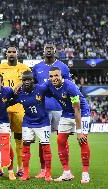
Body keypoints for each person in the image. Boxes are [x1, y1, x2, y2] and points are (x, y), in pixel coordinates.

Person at [32, 43, 71, 178]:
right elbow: (33, 86)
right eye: (46, 49)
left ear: (55, 51)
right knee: (43, 140)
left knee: (63, 139)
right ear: (43, 51)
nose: (48, 51)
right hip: (43, 109)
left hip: (60, 109)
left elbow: (69, 85)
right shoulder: (37, 67)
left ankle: (66, 170)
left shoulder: (63, 67)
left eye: (51, 49)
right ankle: (43, 169)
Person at [46, 67, 91, 184]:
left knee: (82, 140)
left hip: (82, 113)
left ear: (61, 76)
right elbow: (38, 88)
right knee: (60, 140)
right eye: (51, 76)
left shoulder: (70, 87)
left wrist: (79, 130)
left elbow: (77, 109)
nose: (54, 78)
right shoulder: (49, 85)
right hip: (66, 114)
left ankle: (85, 173)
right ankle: (66, 173)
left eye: (56, 75)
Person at [0, 45, 31, 176]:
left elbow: (31, 82)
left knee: (19, 138)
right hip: (3, 106)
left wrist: (22, 83)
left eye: (13, 52)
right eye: (9, 51)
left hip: (19, 107)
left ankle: (20, 168)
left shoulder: (24, 68)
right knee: (1, 137)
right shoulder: (0, 67)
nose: (11, 54)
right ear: (6, 53)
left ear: (17, 53)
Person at [11, 71, 52, 182]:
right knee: (25, 147)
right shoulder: (19, 93)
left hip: (43, 122)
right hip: (28, 122)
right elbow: (9, 102)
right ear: (22, 81)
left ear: (33, 80)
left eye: (29, 79)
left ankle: (48, 173)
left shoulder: (41, 89)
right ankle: (26, 173)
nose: (27, 82)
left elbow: (53, 90)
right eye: (24, 80)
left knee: (46, 148)